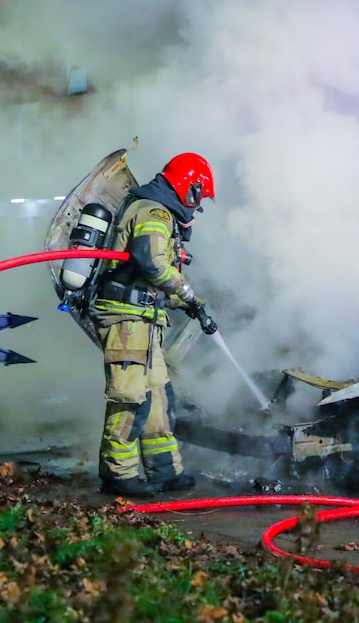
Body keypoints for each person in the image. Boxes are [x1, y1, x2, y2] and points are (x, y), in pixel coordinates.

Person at [89, 152, 218, 498]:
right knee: (131, 400)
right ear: (186, 188)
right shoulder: (153, 212)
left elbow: (151, 278)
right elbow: (152, 265)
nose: (196, 207)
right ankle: (119, 475)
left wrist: (190, 305)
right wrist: (188, 294)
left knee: (159, 397)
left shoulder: (157, 213)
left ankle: (164, 471)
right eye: (197, 196)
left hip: (144, 320)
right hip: (126, 320)